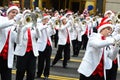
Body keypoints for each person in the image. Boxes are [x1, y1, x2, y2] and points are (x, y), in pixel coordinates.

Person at [14, 11, 40, 80]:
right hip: (22, 53)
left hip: (32, 53)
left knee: (31, 73)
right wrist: (24, 27)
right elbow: (18, 40)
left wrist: (36, 27)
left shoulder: (33, 27)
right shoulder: (19, 26)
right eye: (26, 15)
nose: (28, 17)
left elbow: (38, 36)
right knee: (20, 72)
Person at [0, 6, 20, 80]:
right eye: (13, 12)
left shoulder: (16, 25)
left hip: (7, 56)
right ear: (8, 13)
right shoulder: (2, 19)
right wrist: (14, 21)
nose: (14, 14)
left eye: (16, 13)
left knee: (7, 78)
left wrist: (20, 29)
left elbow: (17, 41)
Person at [36, 14, 56, 80]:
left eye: (47, 19)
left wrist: (52, 28)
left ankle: (46, 75)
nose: (46, 20)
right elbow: (39, 30)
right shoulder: (39, 25)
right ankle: (39, 73)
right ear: (42, 19)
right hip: (41, 45)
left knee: (47, 61)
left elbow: (52, 33)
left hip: (48, 45)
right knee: (40, 61)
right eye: (45, 19)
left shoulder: (48, 26)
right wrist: (45, 25)